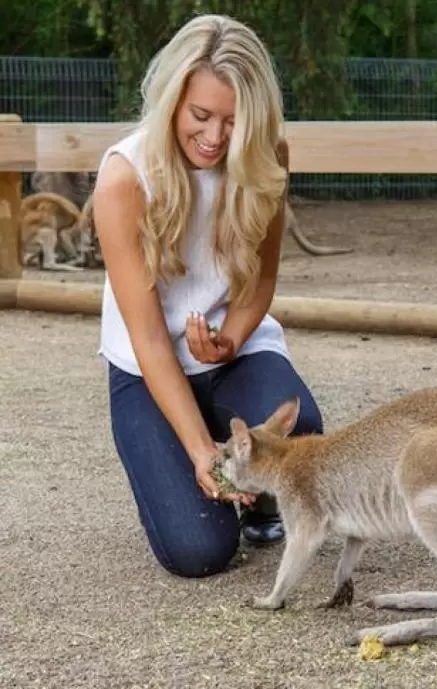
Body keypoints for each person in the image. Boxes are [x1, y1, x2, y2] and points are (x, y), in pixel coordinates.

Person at [92, 13, 323, 579]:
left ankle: (261, 499)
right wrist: (199, 451)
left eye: (234, 122)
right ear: (172, 101)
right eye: (200, 116)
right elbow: (147, 337)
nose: (216, 138)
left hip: (233, 355)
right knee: (200, 552)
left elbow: (261, 281)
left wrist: (232, 338)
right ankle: (195, 464)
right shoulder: (124, 179)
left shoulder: (270, 154)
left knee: (305, 434)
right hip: (147, 369)